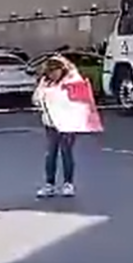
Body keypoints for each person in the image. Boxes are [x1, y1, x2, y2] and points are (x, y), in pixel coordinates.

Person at [33, 55, 80, 198]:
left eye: (56, 71)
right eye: (50, 72)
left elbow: (77, 99)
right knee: (50, 154)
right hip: (51, 123)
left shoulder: (71, 80)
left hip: (67, 123)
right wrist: (43, 98)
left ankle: (68, 184)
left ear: (62, 69)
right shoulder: (45, 82)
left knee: (66, 152)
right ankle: (49, 185)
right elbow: (36, 98)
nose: (53, 74)